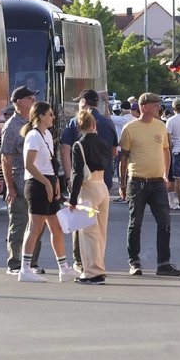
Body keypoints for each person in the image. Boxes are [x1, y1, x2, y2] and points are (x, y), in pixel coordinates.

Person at [118, 93, 180, 276]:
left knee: (165, 222)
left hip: (157, 182)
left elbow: (166, 151)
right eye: (156, 105)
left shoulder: (161, 126)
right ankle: (134, 262)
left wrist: (165, 174)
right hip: (137, 182)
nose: (159, 108)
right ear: (144, 107)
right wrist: (122, 185)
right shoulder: (130, 128)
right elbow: (123, 159)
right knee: (135, 223)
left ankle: (163, 263)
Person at [17, 101, 75, 283]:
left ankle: (64, 268)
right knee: (36, 226)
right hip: (36, 184)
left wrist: (55, 181)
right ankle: (25, 269)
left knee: (56, 227)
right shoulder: (33, 136)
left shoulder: (47, 134)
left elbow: (48, 162)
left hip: (48, 180)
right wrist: (46, 183)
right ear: (41, 116)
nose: (53, 117)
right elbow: (29, 164)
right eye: (50, 114)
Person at [0, 86, 43, 274]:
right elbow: (5, 159)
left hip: (35, 181)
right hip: (19, 182)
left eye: (34, 97)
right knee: (19, 223)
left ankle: (31, 262)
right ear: (19, 102)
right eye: (30, 97)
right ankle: (15, 263)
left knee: (36, 224)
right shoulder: (11, 126)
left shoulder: (34, 123)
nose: (34, 100)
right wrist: (9, 187)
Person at [67, 110, 112, 284]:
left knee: (88, 233)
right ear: (94, 125)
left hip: (88, 189)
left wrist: (72, 199)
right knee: (101, 232)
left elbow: (77, 173)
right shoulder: (103, 143)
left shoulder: (79, 145)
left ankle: (92, 272)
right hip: (102, 187)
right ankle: (100, 266)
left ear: (79, 126)